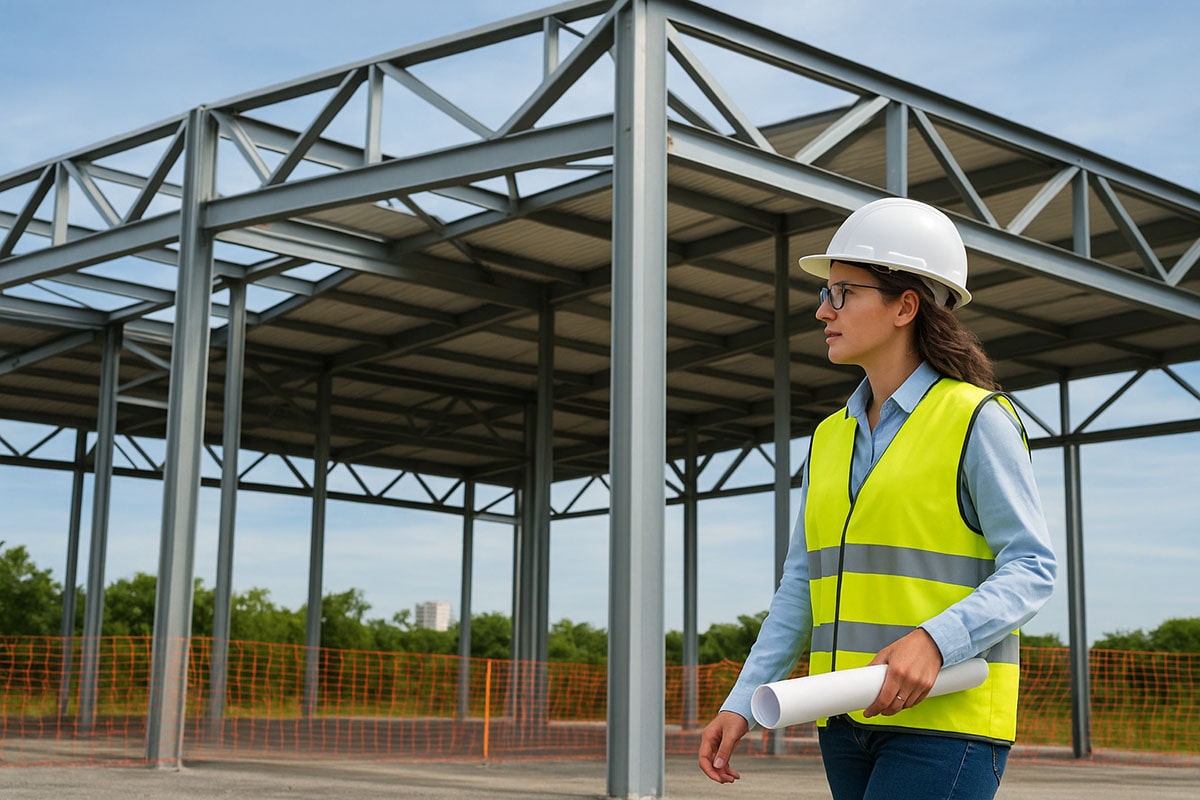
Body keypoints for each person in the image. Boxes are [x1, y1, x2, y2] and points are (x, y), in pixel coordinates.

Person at [697, 197, 1058, 800]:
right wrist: (742, 699)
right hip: (845, 719)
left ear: (905, 306)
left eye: (842, 292)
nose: (822, 310)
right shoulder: (829, 436)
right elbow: (800, 584)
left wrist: (935, 640)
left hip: (946, 722)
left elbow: (1032, 568)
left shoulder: (976, 419)